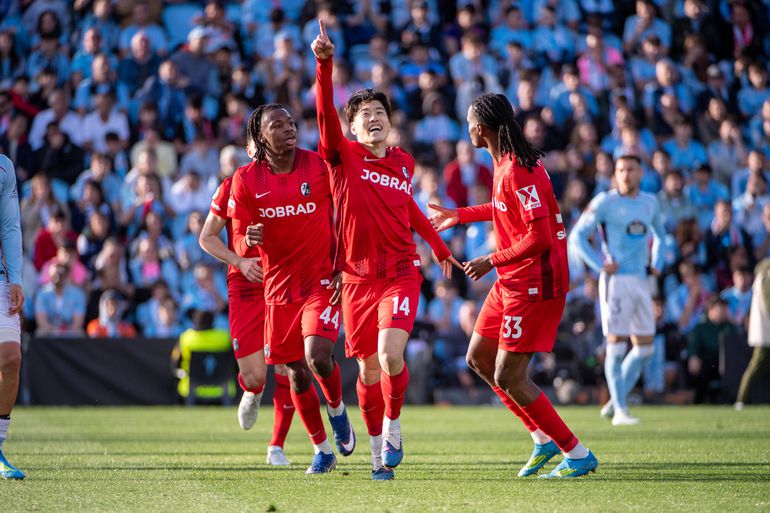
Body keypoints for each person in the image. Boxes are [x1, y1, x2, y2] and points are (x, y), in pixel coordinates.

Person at [312, 21, 457, 481]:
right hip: (356, 278)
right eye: (365, 114)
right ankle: (377, 455)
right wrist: (324, 65)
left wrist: (438, 246)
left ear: (391, 122)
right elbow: (324, 114)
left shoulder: (403, 162)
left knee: (391, 355)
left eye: (380, 111)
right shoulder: (341, 156)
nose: (374, 117)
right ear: (352, 127)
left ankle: (394, 426)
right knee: (368, 370)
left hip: (400, 271)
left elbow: (407, 207)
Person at [428, 93, 597, 479]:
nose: (467, 128)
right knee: (478, 358)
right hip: (512, 280)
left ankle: (576, 452)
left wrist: (492, 260)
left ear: (480, 129)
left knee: (509, 375)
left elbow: (539, 237)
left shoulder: (519, 169)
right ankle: (541, 438)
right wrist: (459, 215)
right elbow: (505, 208)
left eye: (469, 122)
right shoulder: (505, 163)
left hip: (535, 282)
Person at [229, 103, 353, 475]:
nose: (289, 128)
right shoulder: (245, 180)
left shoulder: (318, 166)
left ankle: (337, 409)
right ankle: (323, 451)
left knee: (317, 356)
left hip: (320, 281)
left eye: (291, 122)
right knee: (296, 371)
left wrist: (344, 262)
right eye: (277, 125)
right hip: (278, 290)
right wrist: (247, 240)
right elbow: (238, 239)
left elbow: (346, 211)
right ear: (259, 136)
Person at [199, 155, 295, 467]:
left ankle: (276, 446)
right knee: (254, 375)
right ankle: (252, 390)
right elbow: (206, 236)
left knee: (288, 366)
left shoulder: (291, 182)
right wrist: (239, 261)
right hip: (244, 285)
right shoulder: (230, 187)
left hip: (283, 282)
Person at [569, 154, 666, 426]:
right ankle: (621, 410)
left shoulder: (650, 202)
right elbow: (577, 237)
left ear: (641, 173)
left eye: (630, 169)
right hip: (616, 282)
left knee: (645, 349)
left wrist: (657, 263)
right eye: (621, 170)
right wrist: (599, 264)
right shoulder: (605, 202)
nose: (625, 174)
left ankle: (616, 399)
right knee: (616, 346)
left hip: (641, 281)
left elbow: (661, 236)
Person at [0, 154, 24, 479]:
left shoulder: (4, 166)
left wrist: (15, 278)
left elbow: (9, 225)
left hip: (0, 277)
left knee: (10, 358)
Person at [736, 258, 770, 408]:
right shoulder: (766, 275)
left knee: (756, 365)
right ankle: (741, 400)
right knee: (756, 365)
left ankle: (741, 400)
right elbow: (769, 303)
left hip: (765, 330)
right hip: (766, 330)